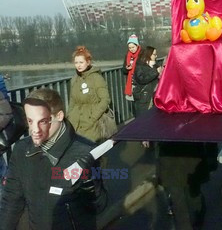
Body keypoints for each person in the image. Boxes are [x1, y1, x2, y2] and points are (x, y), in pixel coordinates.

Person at [0, 88, 107, 230]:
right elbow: (11, 202)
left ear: (59, 116)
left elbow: (98, 206)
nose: (34, 130)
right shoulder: (21, 150)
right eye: (30, 121)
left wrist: (89, 182)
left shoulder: (85, 151)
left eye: (43, 121)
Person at [67, 46, 111, 143]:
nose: (78, 65)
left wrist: (93, 116)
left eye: (81, 62)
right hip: (76, 123)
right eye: (76, 62)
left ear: (88, 62)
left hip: (92, 123)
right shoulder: (74, 79)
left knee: (93, 151)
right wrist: (69, 117)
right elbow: (72, 101)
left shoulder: (96, 78)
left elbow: (105, 99)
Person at [133, 46, 162, 117]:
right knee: (142, 121)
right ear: (148, 55)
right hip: (143, 98)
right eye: (154, 54)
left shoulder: (155, 65)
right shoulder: (139, 66)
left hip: (152, 98)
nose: (156, 56)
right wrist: (156, 72)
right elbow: (141, 79)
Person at [123, 34, 141, 102]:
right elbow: (124, 70)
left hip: (139, 83)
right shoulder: (127, 56)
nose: (131, 49)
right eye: (129, 48)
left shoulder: (142, 54)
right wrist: (126, 68)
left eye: (133, 47)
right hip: (131, 84)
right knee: (134, 104)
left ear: (137, 45)